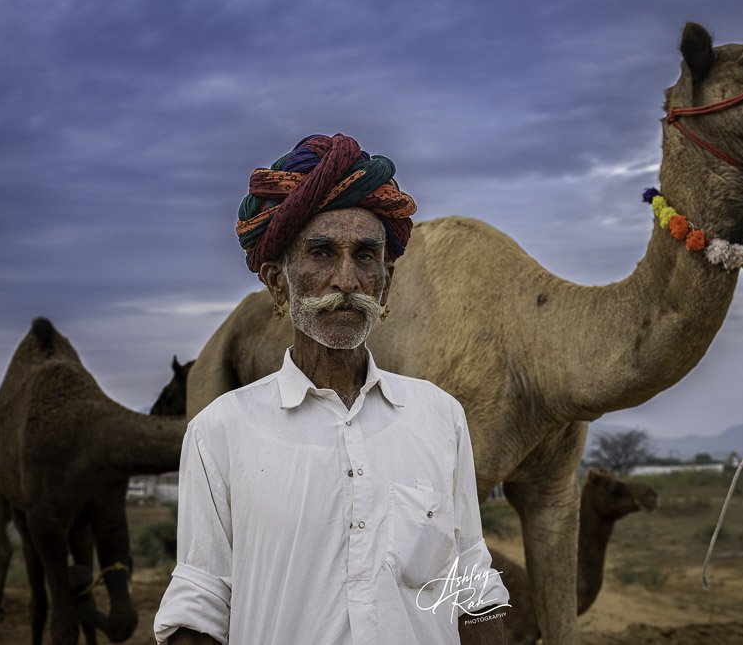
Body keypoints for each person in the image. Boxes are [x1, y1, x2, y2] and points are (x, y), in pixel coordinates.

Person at [154, 133, 509, 645]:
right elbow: (202, 599)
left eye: (365, 257)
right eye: (322, 254)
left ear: (384, 282)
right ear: (279, 283)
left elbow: (470, 581)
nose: (347, 279)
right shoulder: (219, 432)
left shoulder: (440, 416)